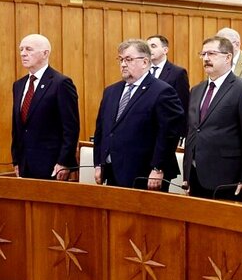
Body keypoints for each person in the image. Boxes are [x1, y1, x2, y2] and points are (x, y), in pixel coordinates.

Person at [93, 39, 183, 190]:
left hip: (145, 174)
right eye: (121, 59)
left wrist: (158, 168)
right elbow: (101, 131)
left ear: (145, 62)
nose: (123, 64)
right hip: (112, 170)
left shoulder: (162, 91)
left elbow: (168, 134)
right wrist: (98, 163)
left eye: (128, 59)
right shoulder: (111, 91)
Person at [183, 36, 242, 201]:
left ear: (228, 57)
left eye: (212, 54)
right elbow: (194, 131)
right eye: (203, 54)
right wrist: (187, 173)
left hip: (227, 178)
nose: (206, 58)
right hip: (196, 175)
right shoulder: (197, 90)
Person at [11, 34, 80, 180]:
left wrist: (64, 162)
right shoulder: (19, 85)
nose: (23, 53)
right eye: (21, 49)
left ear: (45, 53)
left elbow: (70, 128)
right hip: (24, 164)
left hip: (52, 166)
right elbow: (17, 127)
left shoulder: (61, 83)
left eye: (29, 49)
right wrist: (16, 160)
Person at [147, 35, 190, 138]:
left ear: (165, 50)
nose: (149, 49)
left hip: (167, 130)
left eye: (153, 46)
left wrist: (181, 135)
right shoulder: (142, 71)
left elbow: (183, 104)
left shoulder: (177, 73)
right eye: (146, 46)